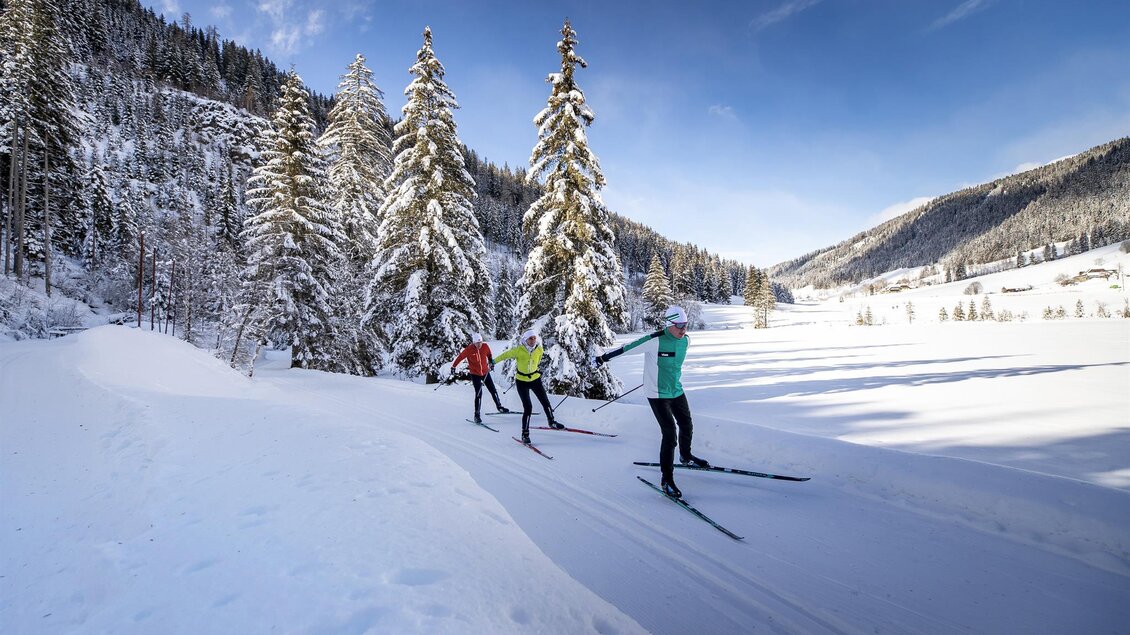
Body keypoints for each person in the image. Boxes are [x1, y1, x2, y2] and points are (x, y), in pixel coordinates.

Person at [595, 305, 708, 498]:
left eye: (686, 325)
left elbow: (672, 365)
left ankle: (686, 456)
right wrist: (603, 358)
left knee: (687, 424)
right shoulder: (654, 341)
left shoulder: (686, 341)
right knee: (670, 433)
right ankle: (667, 479)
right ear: (669, 324)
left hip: (676, 390)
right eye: (679, 325)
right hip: (657, 394)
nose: (683, 330)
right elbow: (626, 348)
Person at [492, 329, 564, 443]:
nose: (533, 340)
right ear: (525, 340)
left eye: (534, 338)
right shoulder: (519, 350)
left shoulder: (539, 349)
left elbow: (538, 360)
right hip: (522, 382)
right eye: (530, 338)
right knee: (528, 408)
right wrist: (493, 362)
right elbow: (505, 355)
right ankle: (525, 434)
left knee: (545, 402)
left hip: (535, 379)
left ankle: (552, 421)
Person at [451, 332, 509, 423]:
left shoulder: (485, 347)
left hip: (485, 373)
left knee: (493, 390)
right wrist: (453, 366)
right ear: (473, 343)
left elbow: (489, 355)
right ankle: (476, 415)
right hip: (475, 374)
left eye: (480, 342)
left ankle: (499, 407)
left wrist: (491, 362)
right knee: (478, 394)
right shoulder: (469, 350)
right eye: (477, 343)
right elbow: (460, 357)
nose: (479, 345)